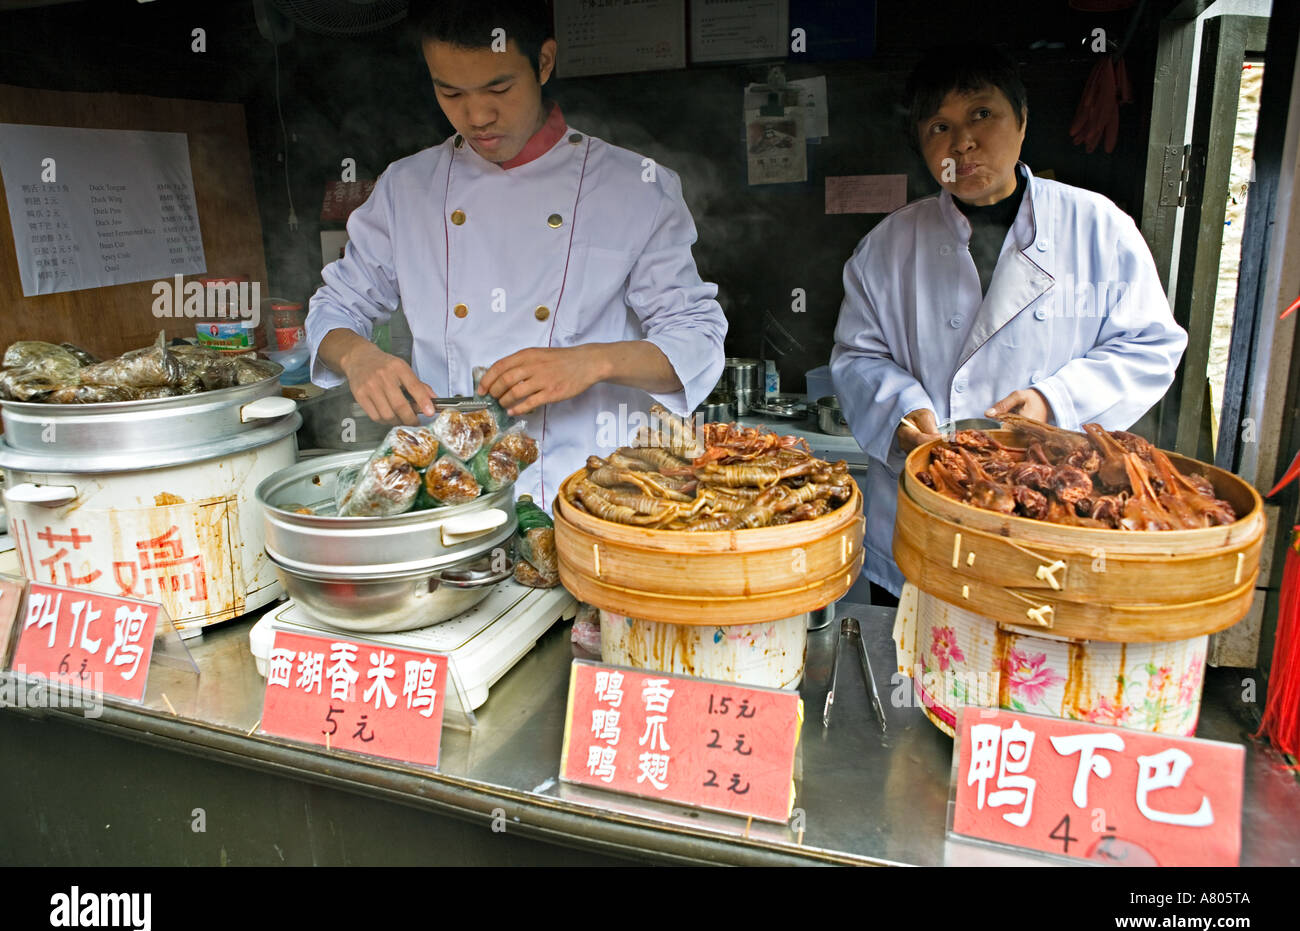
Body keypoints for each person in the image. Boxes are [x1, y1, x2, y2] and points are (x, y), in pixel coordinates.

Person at [306, 0, 727, 508]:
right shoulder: (407, 188)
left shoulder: (633, 186)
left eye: (499, 88)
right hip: (453, 497)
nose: (477, 116)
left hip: (594, 498)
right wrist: (358, 355)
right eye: (450, 92)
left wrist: (591, 362)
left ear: (544, 63)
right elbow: (335, 307)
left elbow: (697, 339)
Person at [830, 45, 1187, 604]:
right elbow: (857, 357)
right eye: (938, 127)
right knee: (912, 672)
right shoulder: (887, 246)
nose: (962, 143)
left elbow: (1150, 344)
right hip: (921, 514)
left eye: (981, 115)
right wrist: (900, 410)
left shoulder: (1097, 226)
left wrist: (1054, 404)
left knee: (1025, 674)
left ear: (1021, 122)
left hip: (1051, 515)